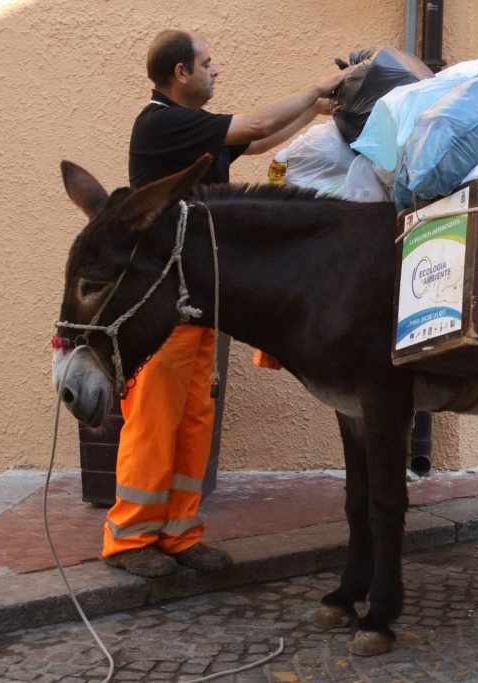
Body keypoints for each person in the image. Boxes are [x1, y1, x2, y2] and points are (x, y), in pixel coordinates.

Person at [104, 30, 352, 578]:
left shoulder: (193, 129)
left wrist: (318, 105)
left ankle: (178, 533)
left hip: (201, 299)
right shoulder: (161, 123)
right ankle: (130, 540)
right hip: (165, 302)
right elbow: (259, 126)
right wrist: (317, 85)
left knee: (193, 420)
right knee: (153, 421)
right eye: (207, 64)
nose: (217, 71)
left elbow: (259, 144)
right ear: (180, 75)